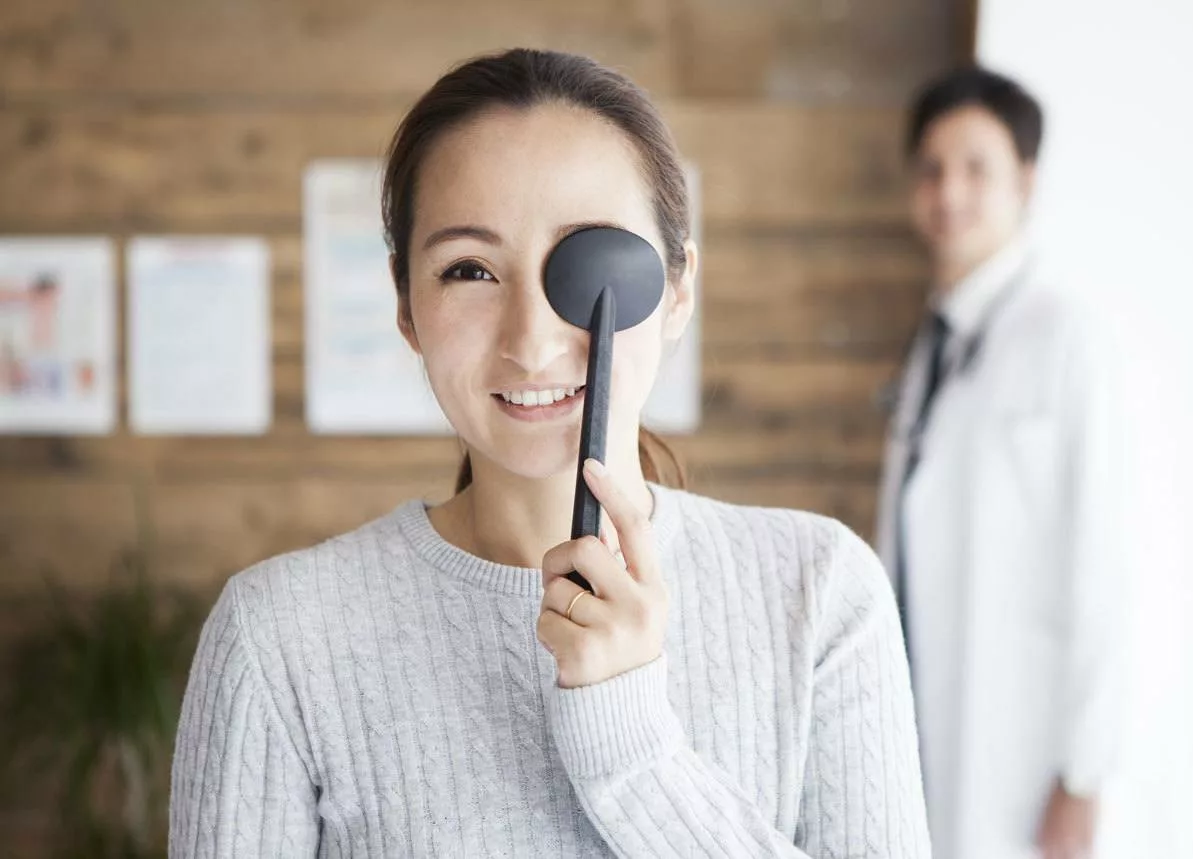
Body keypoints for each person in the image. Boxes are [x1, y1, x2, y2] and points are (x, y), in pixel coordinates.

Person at [169, 48, 930, 858]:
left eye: (587, 263)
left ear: (678, 291)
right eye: (469, 270)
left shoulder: (817, 594)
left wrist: (629, 742)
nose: (531, 343)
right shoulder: (280, 638)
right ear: (405, 307)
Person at [876, 67, 1127, 859]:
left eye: (975, 168)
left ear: (1025, 180)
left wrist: (1084, 773)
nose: (948, 191)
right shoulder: (935, 345)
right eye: (932, 169)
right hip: (936, 737)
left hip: (1029, 762)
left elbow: (1111, 562)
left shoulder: (1068, 336)